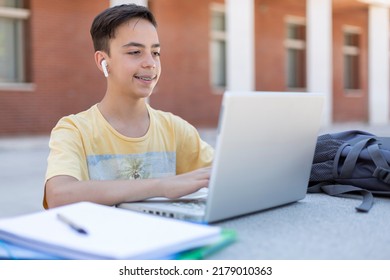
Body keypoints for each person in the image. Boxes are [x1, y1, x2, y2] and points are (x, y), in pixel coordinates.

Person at [43, 4, 213, 209]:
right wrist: (161, 186)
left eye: (156, 52)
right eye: (135, 52)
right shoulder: (75, 130)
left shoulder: (174, 128)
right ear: (103, 61)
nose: (150, 63)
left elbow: (226, 174)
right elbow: (59, 195)